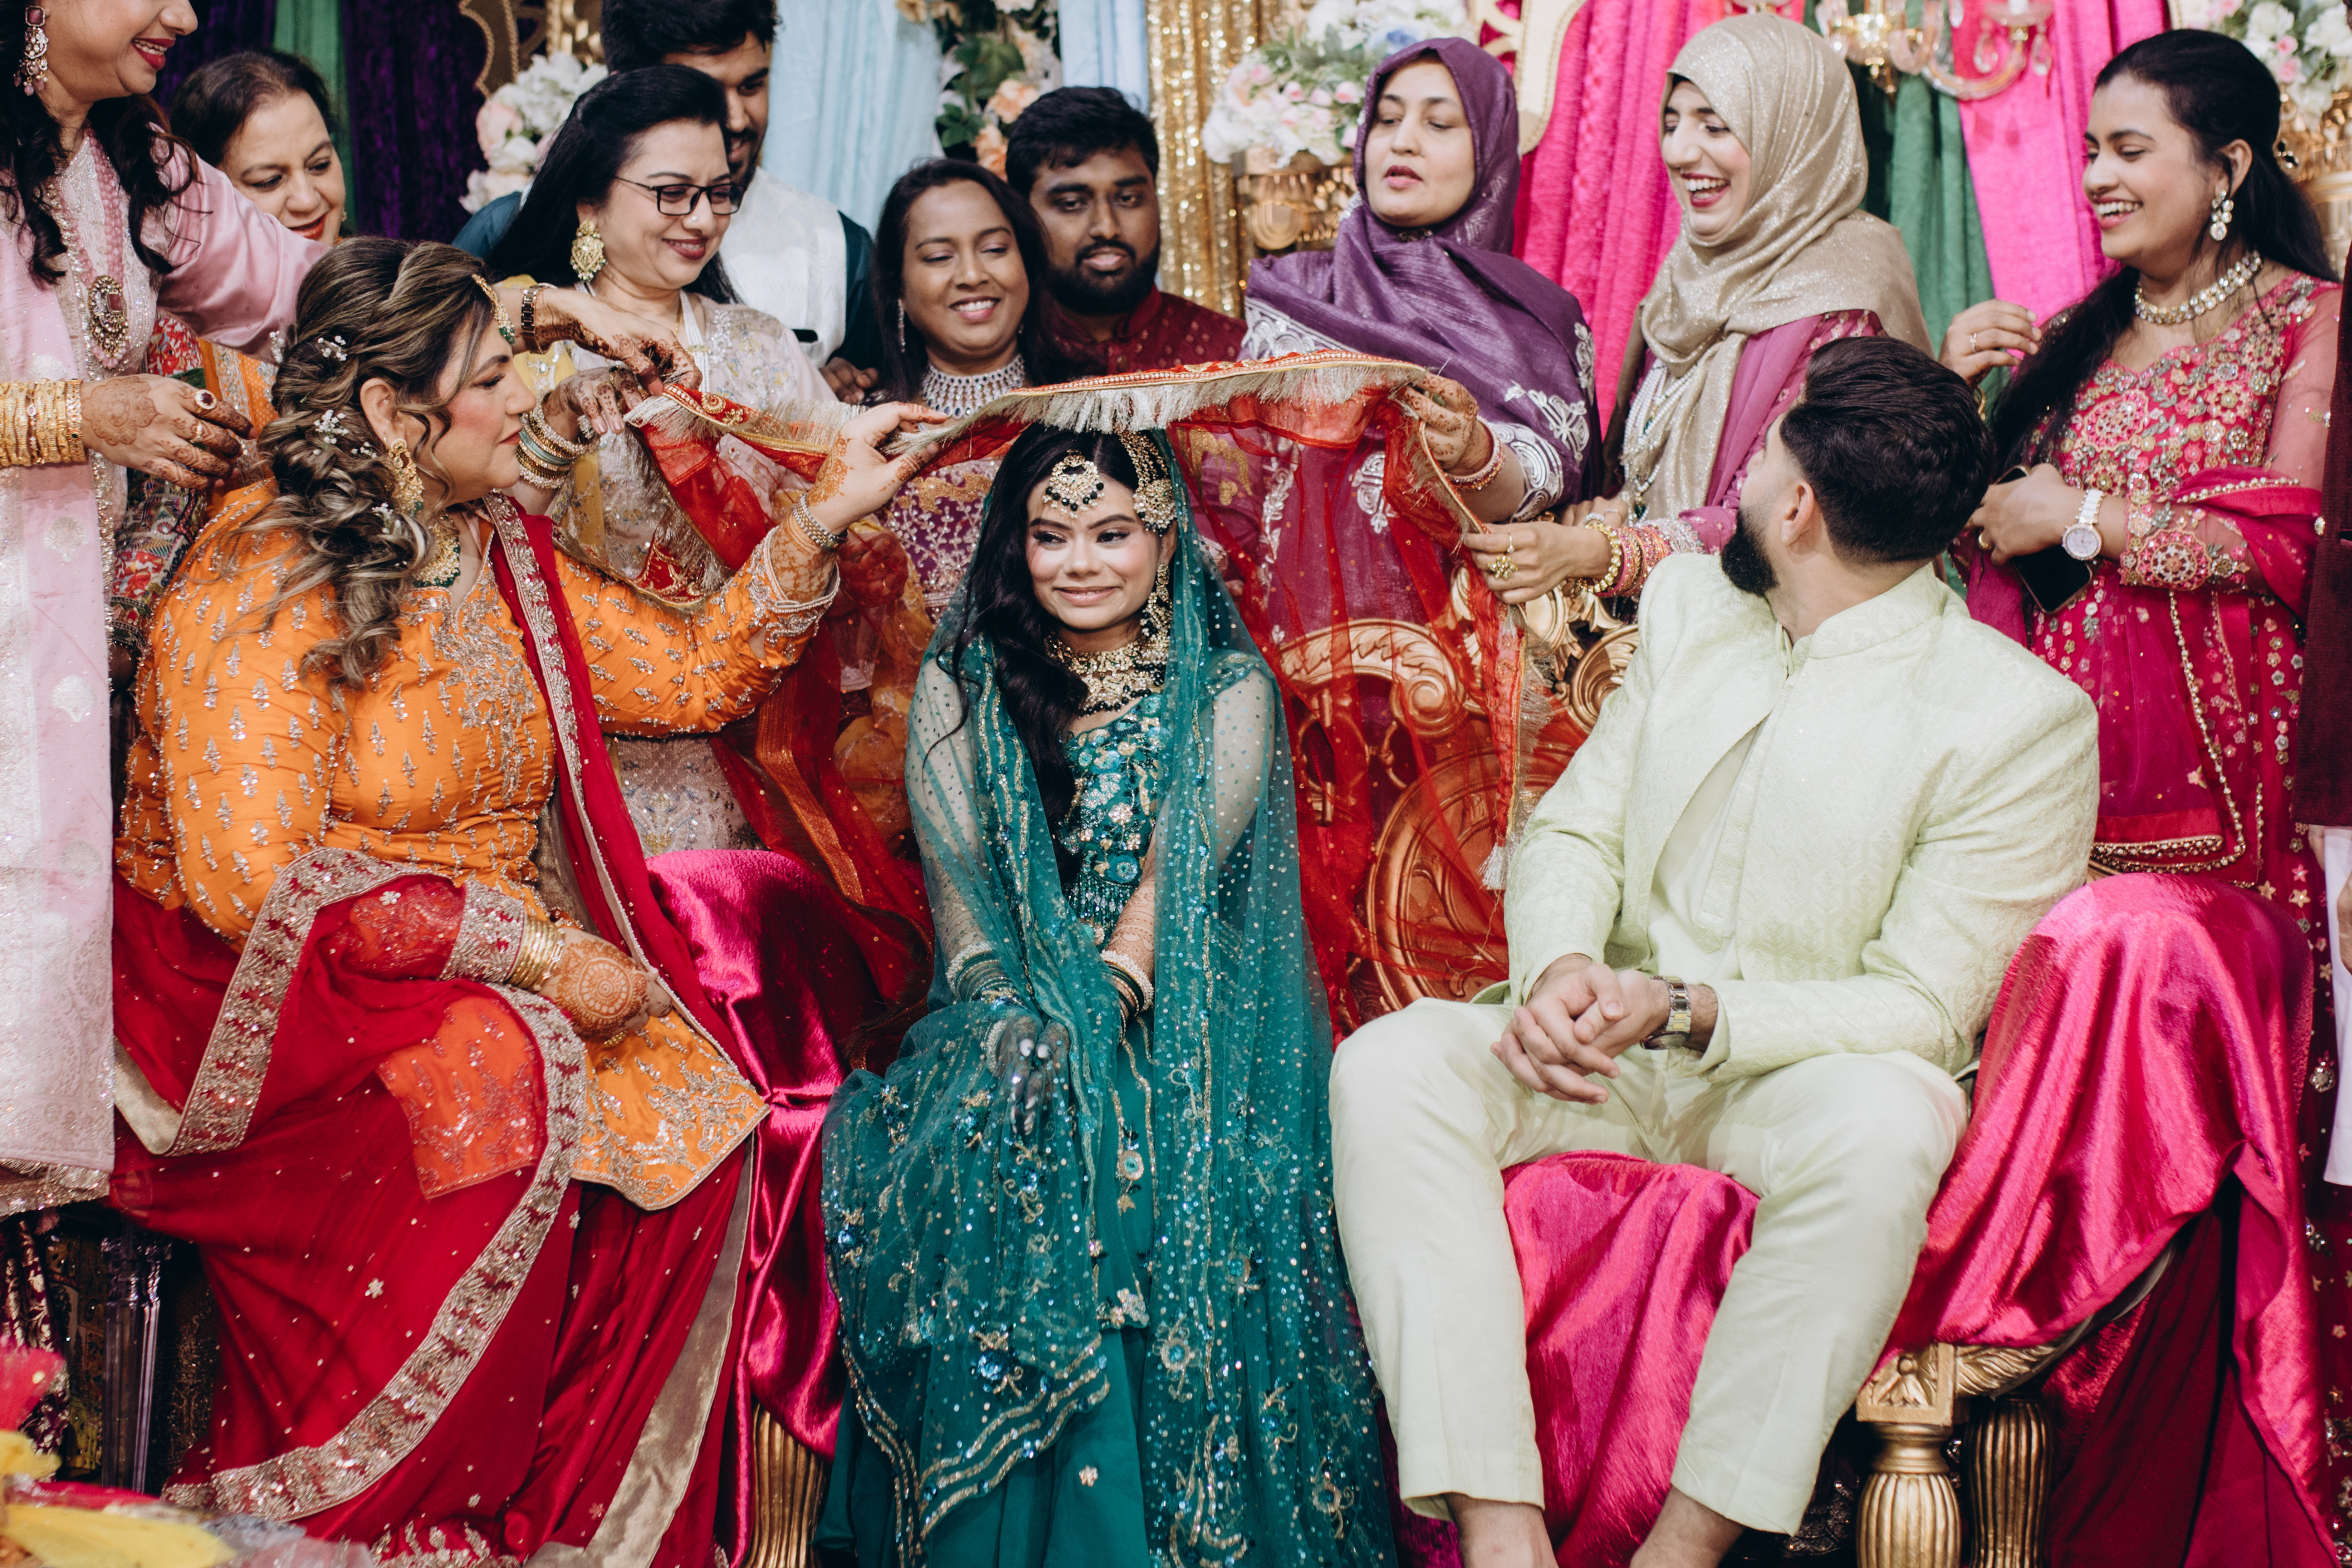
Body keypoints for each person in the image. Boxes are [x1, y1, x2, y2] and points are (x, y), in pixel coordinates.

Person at [108, 237, 921, 1557]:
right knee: (502, 1066)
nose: (525, 397)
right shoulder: (261, 577)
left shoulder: (489, 551)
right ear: (394, 413)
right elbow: (248, 880)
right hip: (270, 994)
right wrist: (525, 954)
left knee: (698, 1106)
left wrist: (826, 513)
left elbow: (692, 678)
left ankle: (550, 1524)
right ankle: (371, 1516)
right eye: (494, 377)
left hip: (466, 968)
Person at [1328, 337, 2098, 1568]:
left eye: (1762, 457)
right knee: (1391, 1064)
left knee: (1888, 1123)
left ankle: (1682, 1549)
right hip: (1608, 1057)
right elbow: (1576, 827)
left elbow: (1921, 1006)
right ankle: (1499, 1528)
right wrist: (1558, 971)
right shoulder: (1696, 608)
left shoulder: (2015, 720)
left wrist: (1686, 1007)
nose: (1740, 479)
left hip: (1788, 1084)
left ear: (1795, 508)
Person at [816, 421, 1393, 1568]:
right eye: (1051, 536)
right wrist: (1001, 1015)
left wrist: (1094, 1014)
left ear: (1166, 541)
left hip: (1174, 1005)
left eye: (1112, 534)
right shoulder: (965, 682)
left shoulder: (1223, 687)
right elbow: (961, 896)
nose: (1080, 562)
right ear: (1015, 545)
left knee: (1114, 1128)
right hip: (1001, 1010)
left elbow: (1171, 890)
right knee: (989, 1125)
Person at [1946, 28, 2348, 1542]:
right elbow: (1990, 544)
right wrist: (1970, 413)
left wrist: (2092, 516)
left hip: (2236, 821)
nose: (2097, 177)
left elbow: (2296, 541)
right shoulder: (2076, 336)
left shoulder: (2312, 323)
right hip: (2063, 799)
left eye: (2131, 150)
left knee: (2201, 1129)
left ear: (2226, 166)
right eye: (2091, 149)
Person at [2, 0, 326, 1215]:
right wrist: (82, 414)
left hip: (62, 665)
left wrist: (515, 310)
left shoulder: (129, 156)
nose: (183, 15)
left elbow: (307, 287)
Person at [486, 65, 838, 854]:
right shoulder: (518, 357)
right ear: (589, 201)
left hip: (753, 735)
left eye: (719, 193)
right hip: (577, 741)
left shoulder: (759, 344)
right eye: (672, 194)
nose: (702, 219)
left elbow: (824, 511)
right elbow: (488, 547)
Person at [1488, 13, 1931, 615]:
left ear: (1792, 133)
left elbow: (1788, 519)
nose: (1678, 151)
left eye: (1715, 126)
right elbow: (1644, 471)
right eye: (1672, 123)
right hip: (1655, 621)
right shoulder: (1694, 273)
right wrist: (1612, 514)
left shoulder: (1846, 301)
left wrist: (1602, 553)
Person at [1244, 36, 1600, 534]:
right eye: (1387, 119)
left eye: (1439, 124)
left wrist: (1475, 453)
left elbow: (1551, 484)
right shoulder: (1296, 291)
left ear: (1489, 151)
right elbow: (1241, 474)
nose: (1403, 141)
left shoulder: (1538, 319)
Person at [454, 0, 881, 376]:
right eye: (702, 92)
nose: (735, 119)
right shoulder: (507, 226)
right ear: (625, 87)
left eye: (752, 85)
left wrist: (813, 401)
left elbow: (874, 399)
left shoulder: (836, 246)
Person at [107, 48, 349, 673]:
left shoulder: (382, 298)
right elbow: (163, 517)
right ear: (211, 204)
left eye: (320, 164)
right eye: (269, 181)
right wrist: (120, 648)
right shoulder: (175, 335)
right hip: (244, 639)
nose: (307, 198)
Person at [1003, 86, 1244, 376]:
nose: (1107, 228)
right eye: (1072, 204)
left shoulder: (1239, 357)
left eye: (1128, 199)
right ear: (1023, 214)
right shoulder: (993, 362)